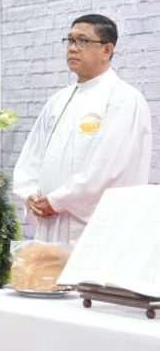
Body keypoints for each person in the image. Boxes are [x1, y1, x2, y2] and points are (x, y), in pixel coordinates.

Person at [13, 14, 151, 244]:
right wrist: (30, 194)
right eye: (70, 40)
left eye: (83, 41)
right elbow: (33, 155)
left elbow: (110, 169)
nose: (73, 48)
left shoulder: (124, 99)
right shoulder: (58, 100)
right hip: (50, 221)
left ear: (107, 50)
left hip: (92, 227)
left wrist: (58, 201)